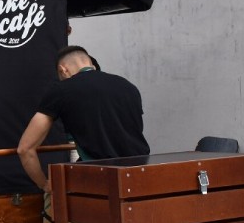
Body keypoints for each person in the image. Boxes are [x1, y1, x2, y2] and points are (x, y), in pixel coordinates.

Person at [17, 44, 149, 194]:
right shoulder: (128, 87)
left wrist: (44, 185)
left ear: (63, 70)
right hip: (142, 175)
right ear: (91, 64)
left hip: (100, 182)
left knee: (52, 206)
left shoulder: (61, 90)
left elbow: (25, 149)